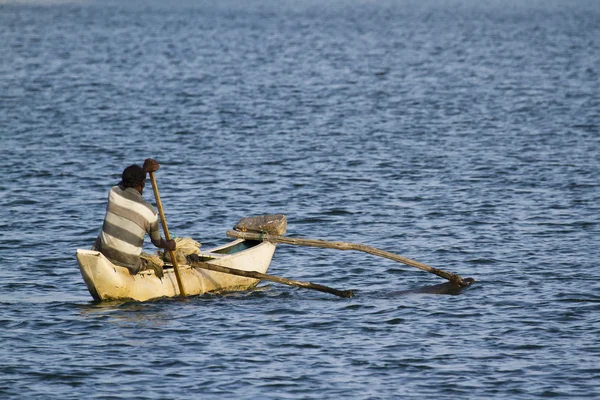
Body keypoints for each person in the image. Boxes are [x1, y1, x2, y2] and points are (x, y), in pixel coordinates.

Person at [93, 158, 176, 275]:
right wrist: (169, 245)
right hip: (130, 264)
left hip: (104, 255)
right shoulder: (149, 211)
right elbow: (157, 242)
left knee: (99, 240)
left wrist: (144, 170)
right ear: (142, 184)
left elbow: (120, 184)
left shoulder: (113, 192)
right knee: (149, 263)